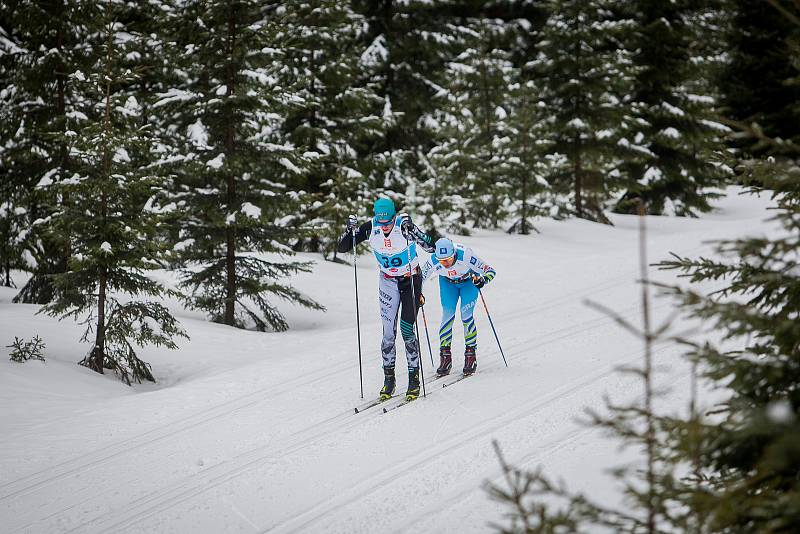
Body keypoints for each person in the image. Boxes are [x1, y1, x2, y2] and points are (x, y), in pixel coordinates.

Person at [337, 198, 437, 401]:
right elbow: (343, 248)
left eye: (388, 222)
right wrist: (349, 230)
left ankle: (413, 378)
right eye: (382, 223)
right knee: (388, 333)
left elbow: (431, 247)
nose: (385, 227)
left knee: (407, 329)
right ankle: (389, 380)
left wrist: (414, 231)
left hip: (410, 279)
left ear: (394, 215)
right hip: (388, 281)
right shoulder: (370, 227)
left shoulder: (403, 225)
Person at [420, 237, 496, 376]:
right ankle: (445, 356)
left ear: (454, 253)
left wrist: (482, 280)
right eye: (442, 261)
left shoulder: (465, 255)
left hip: (468, 283)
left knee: (466, 316)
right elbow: (419, 278)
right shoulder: (433, 260)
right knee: (447, 317)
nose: (445, 264)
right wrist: (417, 293)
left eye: (448, 260)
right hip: (448, 284)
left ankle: (470, 355)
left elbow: (490, 271)